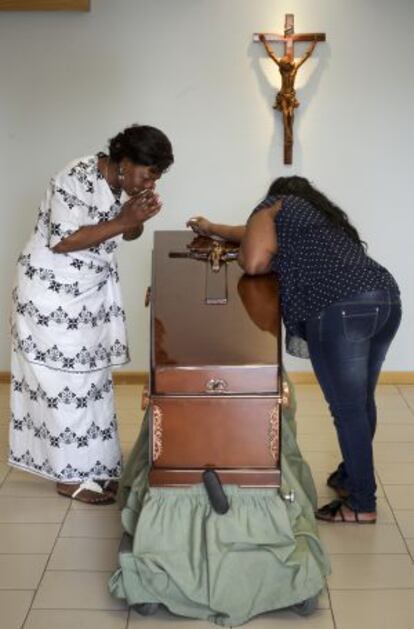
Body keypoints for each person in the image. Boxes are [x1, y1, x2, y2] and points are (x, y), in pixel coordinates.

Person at [187, 176, 401, 523]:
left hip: (340, 307)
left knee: (347, 409)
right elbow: (251, 233)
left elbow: (255, 261)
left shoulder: (273, 206)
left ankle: (362, 504)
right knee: (361, 401)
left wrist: (246, 253)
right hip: (385, 298)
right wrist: (213, 228)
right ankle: (349, 479)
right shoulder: (317, 218)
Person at [10, 124, 174, 504]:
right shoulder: (75, 177)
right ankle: (69, 477)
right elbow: (63, 239)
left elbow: (120, 234)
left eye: (158, 176)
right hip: (51, 297)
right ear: (125, 161)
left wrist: (135, 220)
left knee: (92, 384)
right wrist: (123, 219)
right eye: (148, 173)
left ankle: (95, 468)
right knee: (66, 388)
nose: (151, 182)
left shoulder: (122, 187)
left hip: (88, 297)